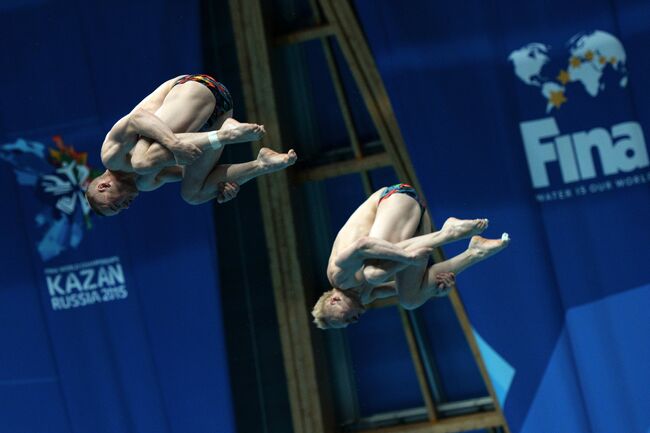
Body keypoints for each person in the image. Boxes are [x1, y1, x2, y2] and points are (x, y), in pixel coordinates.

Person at [85, 74, 297, 216]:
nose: (126, 206)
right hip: (219, 112)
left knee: (141, 160)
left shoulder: (111, 156)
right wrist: (223, 185)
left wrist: (173, 142)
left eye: (116, 205)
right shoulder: (147, 183)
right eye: (121, 210)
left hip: (196, 88)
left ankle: (225, 135)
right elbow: (197, 166)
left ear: (104, 186)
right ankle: (262, 164)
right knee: (194, 195)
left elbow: (137, 118)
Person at [312, 183, 510, 329]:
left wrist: (407, 258)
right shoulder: (364, 295)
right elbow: (413, 286)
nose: (353, 321)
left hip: (395, 200)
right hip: (416, 224)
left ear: (334, 301)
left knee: (373, 273)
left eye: (345, 319)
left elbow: (363, 245)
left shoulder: (338, 275)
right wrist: (435, 289)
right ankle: (475, 252)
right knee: (410, 300)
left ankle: (447, 233)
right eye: (350, 323)